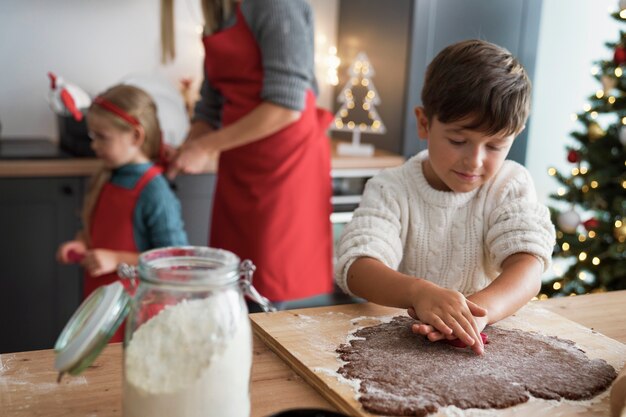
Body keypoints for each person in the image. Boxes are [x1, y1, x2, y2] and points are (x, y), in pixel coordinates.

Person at [335, 39, 556, 355]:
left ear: (514, 135)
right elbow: (356, 267)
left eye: (494, 146)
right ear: (424, 123)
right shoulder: (391, 187)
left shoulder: (509, 183)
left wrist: (474, 313)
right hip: (404, 343)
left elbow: (528, 266)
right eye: (457, 140)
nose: (475, 160)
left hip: (484, 341)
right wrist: (418, 293)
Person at [166, 0, 334, 309]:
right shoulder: (220, 11)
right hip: (240, 162)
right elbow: (211, 104)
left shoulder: (275, 5)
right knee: (234, 280)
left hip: (285, 163)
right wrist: (188, 146)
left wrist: (205, 147)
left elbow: (287, 105)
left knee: (271, 283)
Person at [57, 84, 188, 341]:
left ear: (135, 136)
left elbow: (173, 261)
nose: (93, 146)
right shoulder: (107, 176)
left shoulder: (155, 192)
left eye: (101, 137)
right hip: (102, 304)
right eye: (92, 136)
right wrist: (80, 243)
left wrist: (116, 259)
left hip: (138, 314)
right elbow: (93, 231)